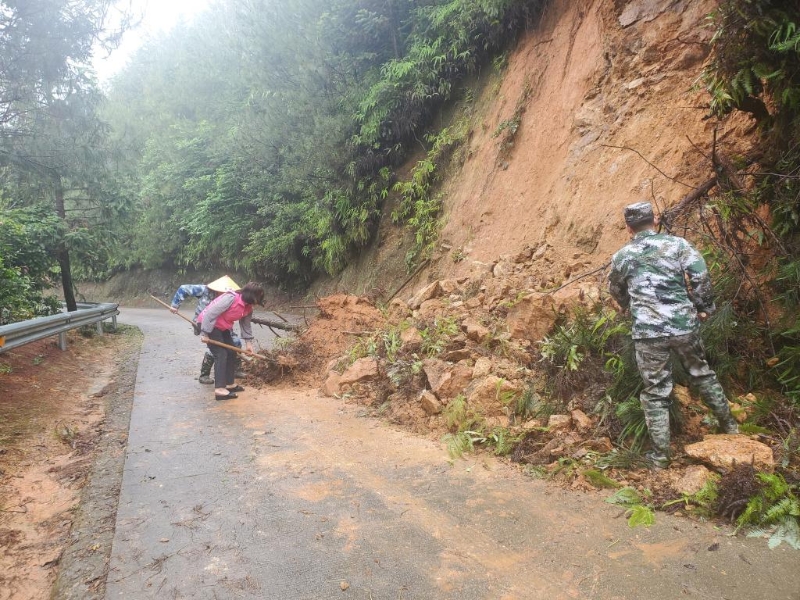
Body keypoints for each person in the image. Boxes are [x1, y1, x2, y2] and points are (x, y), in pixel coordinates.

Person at [608, 201, 738, 469]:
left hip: (647, 333)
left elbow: (616, 289)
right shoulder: (678, 245)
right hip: (683, 326)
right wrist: (703, 307)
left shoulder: (622, 256)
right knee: (701, 373)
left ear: (628, 227)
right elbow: (700, 275)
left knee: (656, 392)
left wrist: (626, 306)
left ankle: (660, 458)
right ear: (654, 220)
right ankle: (730, 426)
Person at [169, 276, 244, 383]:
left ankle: (234, 370)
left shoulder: (232, 296)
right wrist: (175, 305)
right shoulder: (204, 290)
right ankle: (204, 374)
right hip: (203, 322)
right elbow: (184, 288)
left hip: (222, 324)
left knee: (236, 342)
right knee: (216, 348)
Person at [198, 281, 264, 400]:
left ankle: (229, 384)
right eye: (258, 297)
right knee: (221, 354)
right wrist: (204, 333)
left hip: (223, 327)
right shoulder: (231, 298)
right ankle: (219, 390)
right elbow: (210, 313)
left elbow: (246, 326)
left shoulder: (248, 308)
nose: (257, 301)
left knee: (231, 352)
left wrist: (248, 344)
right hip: (209, 325)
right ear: (251, 295)